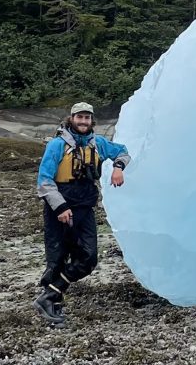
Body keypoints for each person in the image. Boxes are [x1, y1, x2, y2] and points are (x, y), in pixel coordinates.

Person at [34, 101, 129, 323]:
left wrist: (118, 168)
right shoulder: (57, 145)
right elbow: (44, 181)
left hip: (84, 207)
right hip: (60, 207)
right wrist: (60, 206)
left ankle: (49, 296)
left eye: (87, 118)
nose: (83, 122)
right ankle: (52, 305)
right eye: (80, 117)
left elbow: (123, 152)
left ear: (91, 121)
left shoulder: (98, 144)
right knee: (57, 258)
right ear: (72, 119)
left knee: (87, 257)